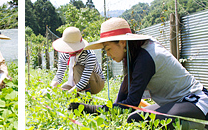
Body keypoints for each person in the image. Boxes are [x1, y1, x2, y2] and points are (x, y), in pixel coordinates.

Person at [69, 18, 208, 129]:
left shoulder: (145, 57)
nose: (108, 55)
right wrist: (88, 109)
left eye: (109, 48)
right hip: (177, 103)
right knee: (136, 115)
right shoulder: (133, 56)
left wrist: (89, 108)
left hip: (196, 102)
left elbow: (130, 104)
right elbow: (121, 101)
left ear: (122, 42)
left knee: (136, 118)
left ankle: (202, 125)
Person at [50, 27, 105, 94]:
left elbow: (84, 80)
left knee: (77, 68)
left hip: (96, 83)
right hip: (77, 81)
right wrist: (51, 88)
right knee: (62, 91)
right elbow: (59, 75)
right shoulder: (65, 54)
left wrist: (70, 92)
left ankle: (85, 98)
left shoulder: (89, 55)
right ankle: (76, 96)